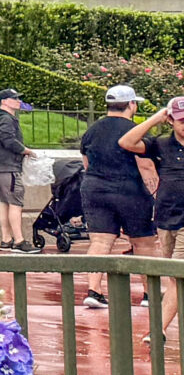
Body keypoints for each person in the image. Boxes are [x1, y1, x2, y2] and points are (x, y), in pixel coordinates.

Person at [77, 84, 158, 308]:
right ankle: (149, 294)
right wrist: (154, 193)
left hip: (94, 188)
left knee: (100, 241)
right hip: (129, 189)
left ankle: (94, 290)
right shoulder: (133, 130)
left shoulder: (92, 130)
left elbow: (86, 163)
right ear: (131, 104)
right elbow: (146, 165)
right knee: (143, 242)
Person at [118, 94, 184, 264]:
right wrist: (155, 119)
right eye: (182, 121)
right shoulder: (161, 144)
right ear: (171, 120)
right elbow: (126, 142)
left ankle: (167, 292)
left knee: (177, 269)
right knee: (169, 270)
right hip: (166, 215)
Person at [0, 90, 31, 250]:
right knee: (15, 202)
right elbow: (8, 140)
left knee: (4, 203)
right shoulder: (6, 119)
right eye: (15, 98)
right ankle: (19, 241)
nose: (18, 101)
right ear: (4, 101)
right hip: (8, 166)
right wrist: (26, 150)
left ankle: (6, 240)